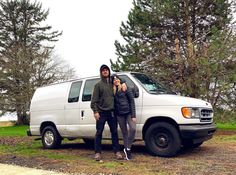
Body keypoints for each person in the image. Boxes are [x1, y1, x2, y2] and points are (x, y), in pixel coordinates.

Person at [90, 64, 123, 161]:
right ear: (101, 72)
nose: (105, 71)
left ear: (109, 72)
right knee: (99, 133)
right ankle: (97, 153)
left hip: (112, 112)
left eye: (107, 70)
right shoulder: (98, 85)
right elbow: (94, 101)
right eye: (103, 70)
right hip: (101, 112)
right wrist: (96, 112)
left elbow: (120, 78)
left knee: (114, 132)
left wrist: (122, 82)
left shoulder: (112, 83)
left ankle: (117, 152)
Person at [111, 74, 136, 160]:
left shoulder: (125, 87)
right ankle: (128, 153)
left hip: (128, 113)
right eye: (114, 80)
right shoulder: (113, 91)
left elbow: (132, 101)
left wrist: (133, 115)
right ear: (112, 82)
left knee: (133, 129)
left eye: (117, 79)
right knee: (124, 133)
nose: (116, 81)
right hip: (119, 115)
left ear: (119, 80)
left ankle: (127, 148)